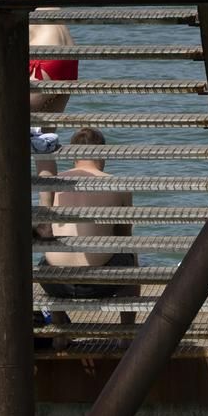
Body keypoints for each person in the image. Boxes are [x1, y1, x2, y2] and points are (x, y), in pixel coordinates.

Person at [37, 128, 137, 301]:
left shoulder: (53, 182)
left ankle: (57, 314)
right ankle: (128, 316)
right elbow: (124, 235)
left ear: (73, 156)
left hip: (54, 282)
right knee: (131, 254)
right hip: (98, 284)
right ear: (103, 153)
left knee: (46, 251)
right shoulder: (118, 185)